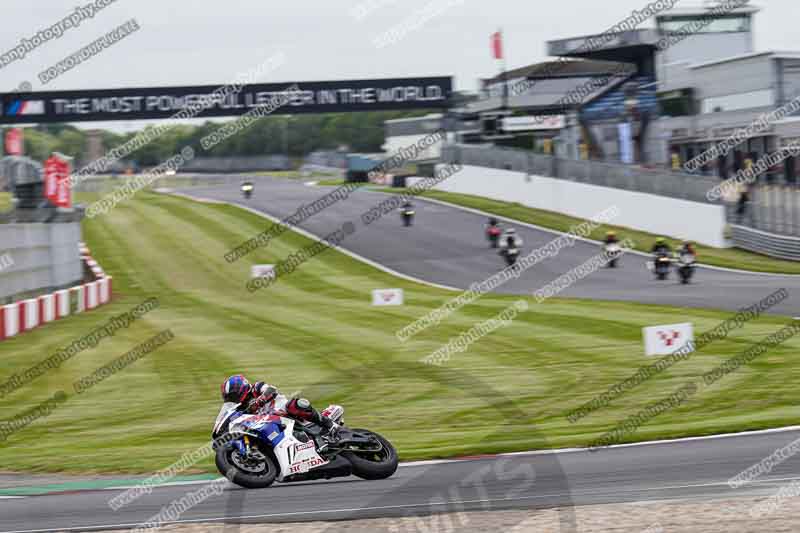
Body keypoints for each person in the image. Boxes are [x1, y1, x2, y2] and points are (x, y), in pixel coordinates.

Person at [220, 375, 337, 439]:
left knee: (295, 405)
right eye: (230, 397)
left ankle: (329, 424)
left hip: (283, 411)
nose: (233, 398)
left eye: (233, 395)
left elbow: (271, 389)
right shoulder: (241, 408)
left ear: (241, 389)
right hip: (270, 424)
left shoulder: (256, 387)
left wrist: (260, 400)